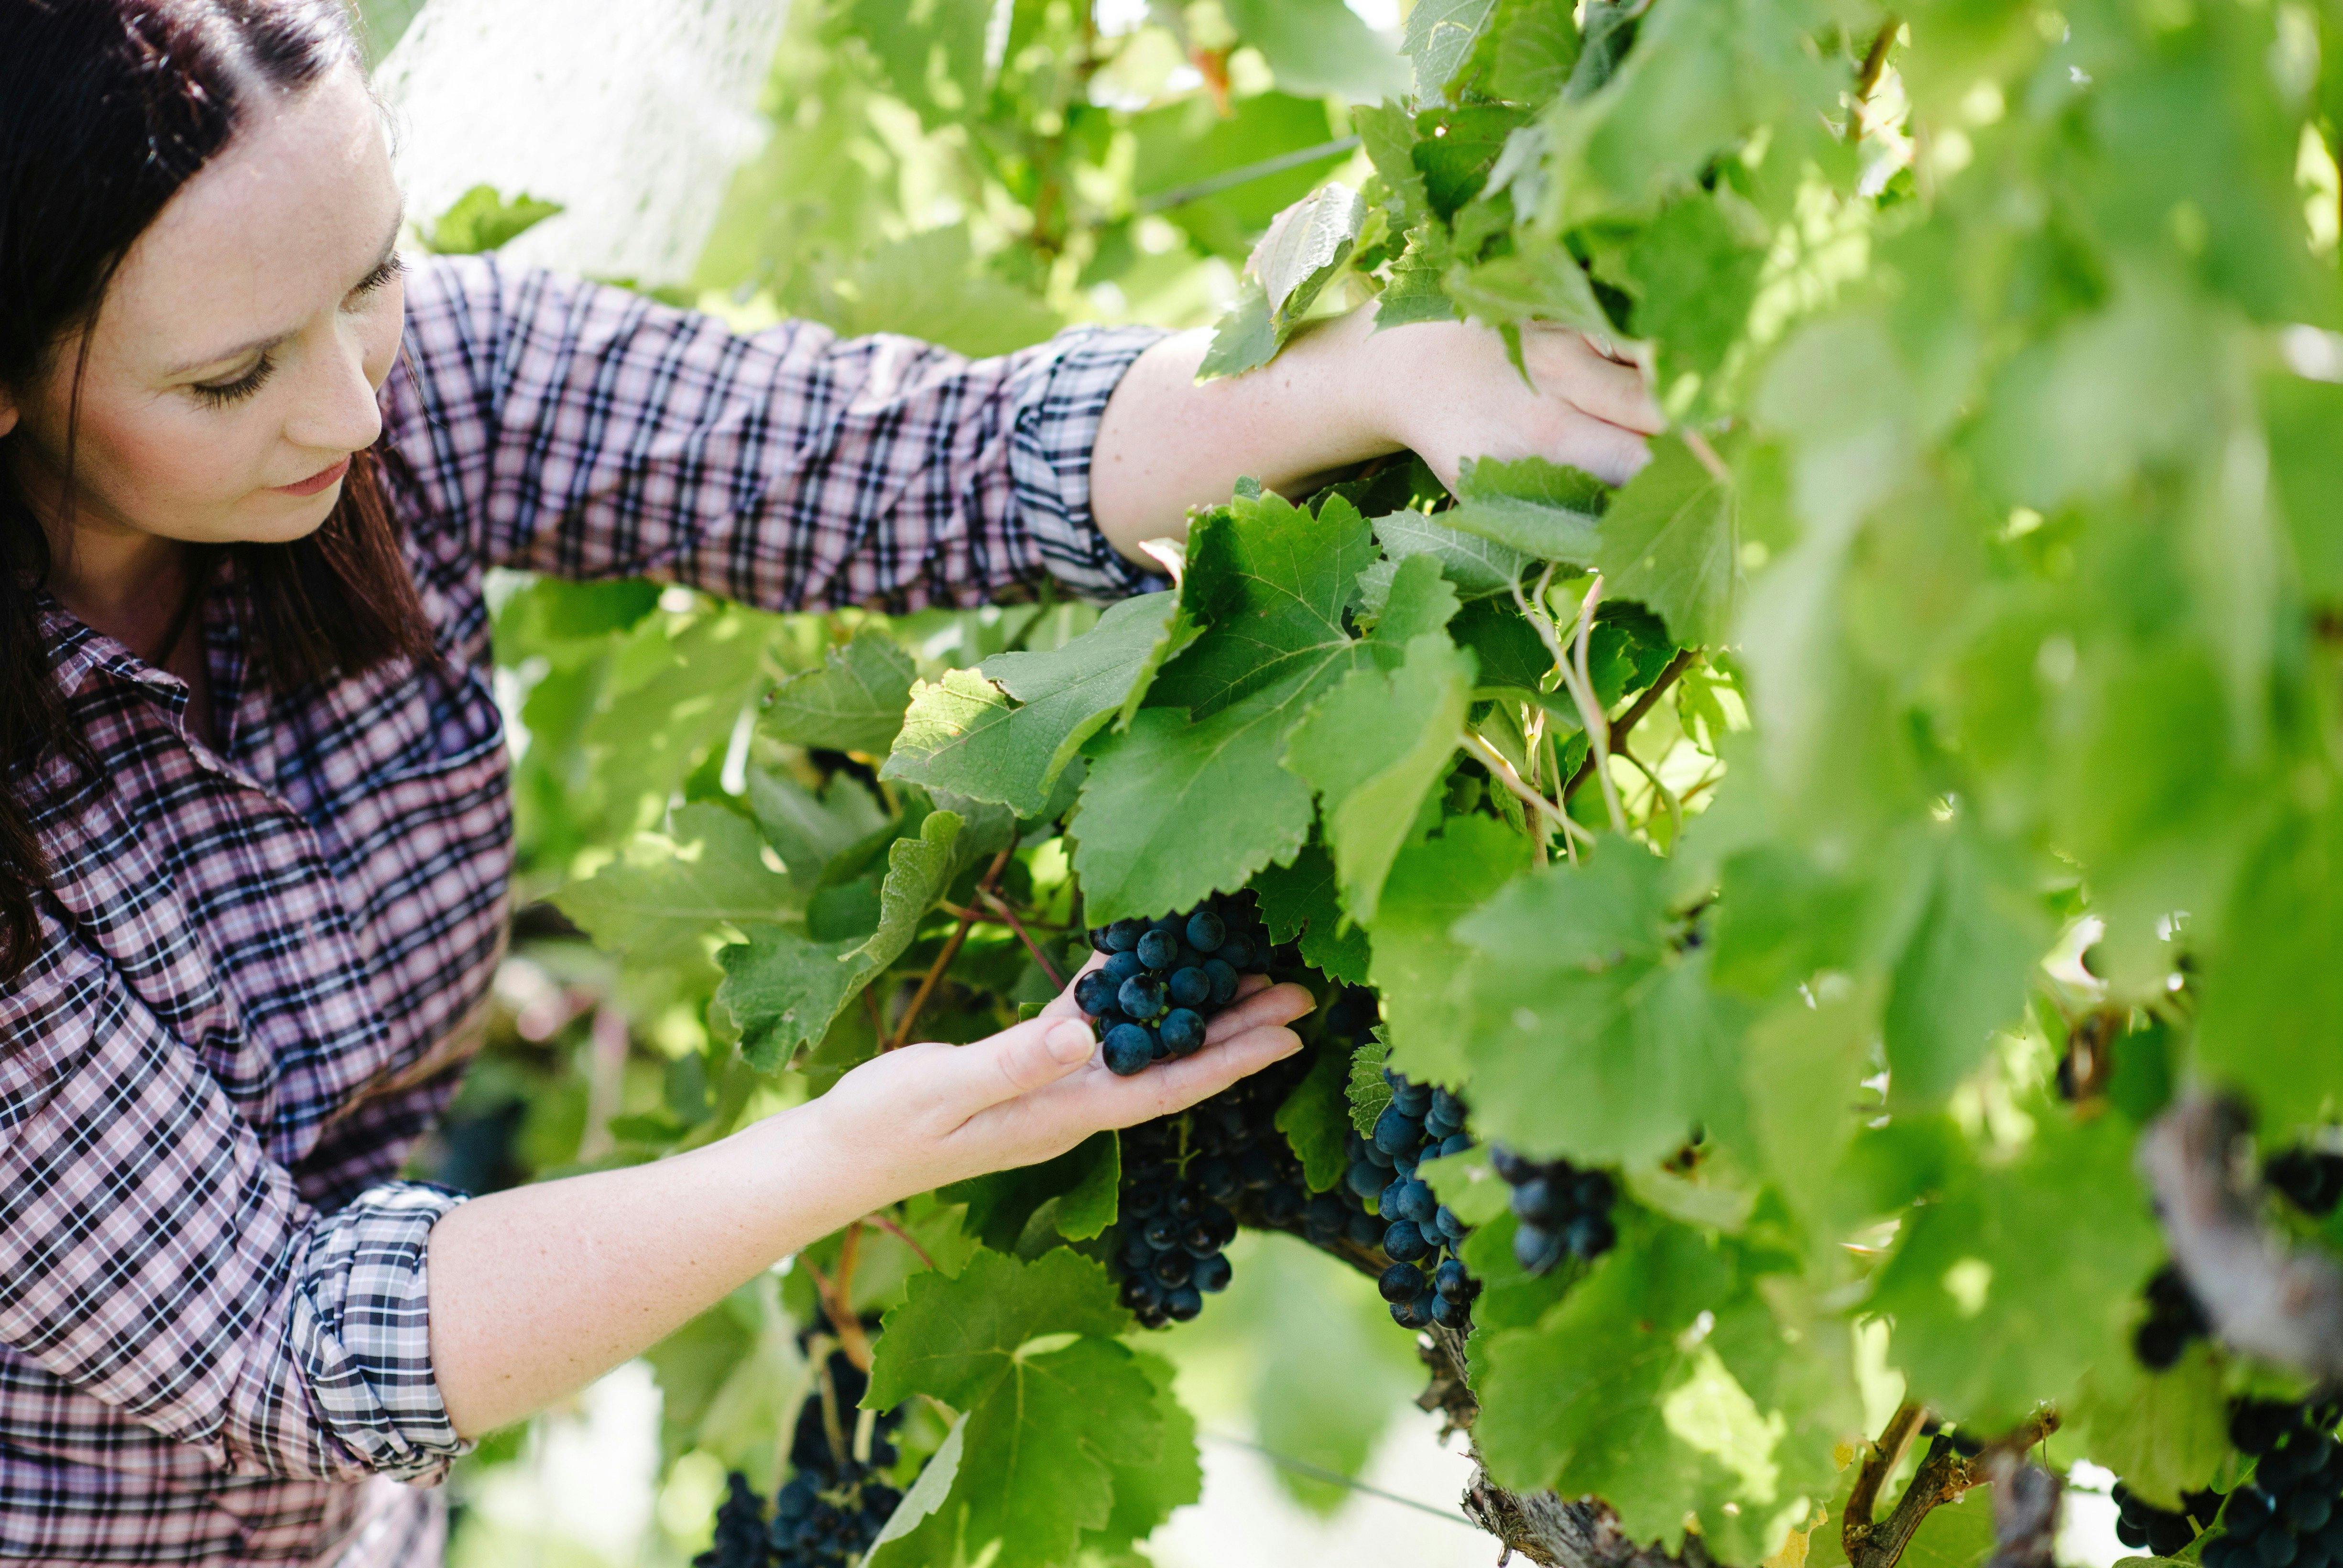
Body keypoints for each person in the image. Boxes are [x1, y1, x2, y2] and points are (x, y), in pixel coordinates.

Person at [0, 1, 1667, 1563]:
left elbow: (898, 458)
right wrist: (853, 1149)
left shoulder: (417, 394)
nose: (356, 405)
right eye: (231, 379)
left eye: (370, 281)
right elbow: (285, 1337)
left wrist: (1380, 376)